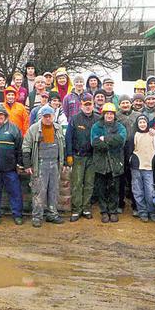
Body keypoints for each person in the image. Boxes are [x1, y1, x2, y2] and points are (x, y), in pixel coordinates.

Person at [23, 105, 66, 227]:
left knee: (54, 190)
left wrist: (64, 161)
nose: (48, 119)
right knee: (39, 191)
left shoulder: (57, 128)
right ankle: (37, 216)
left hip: (55, 163)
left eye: (50, 116)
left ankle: (52, 214)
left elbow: (63, 145)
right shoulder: (34, 129)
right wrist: (27, 164)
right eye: (45, 116)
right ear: (41, 117)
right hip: (40, 163)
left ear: (53, 116)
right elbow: (26, 147)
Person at [0, 104, 24, 226]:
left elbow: (20, 148)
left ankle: (17, 214)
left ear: (5, 116)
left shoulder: (13, 128)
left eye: (1, 114)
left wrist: (19, 164)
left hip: (10, 168)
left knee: (15, 192)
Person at [91, 103, 127, 223]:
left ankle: (113, 211)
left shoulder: (120, 127)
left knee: (114, 188)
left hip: (115, 161)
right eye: (107, 113)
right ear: (103, 114)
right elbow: (94, 143)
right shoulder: (96, 126)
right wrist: (111, 140)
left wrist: (105, 138)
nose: (109, 116)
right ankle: (104, 211)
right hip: (101, 162)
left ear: (114, 115)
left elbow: (121, 141)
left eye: (111, 113)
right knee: (101, 188)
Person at [65, 93, 98, 222]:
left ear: (93, 104)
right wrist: (69, 155)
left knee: (89, 184)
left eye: (90, 104)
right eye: (86, 104)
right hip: (78, 156)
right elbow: (68, 138)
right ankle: (76, 209)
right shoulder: (74, 119)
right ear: (81, 105)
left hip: (92, 157)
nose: (88, 106)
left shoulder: (98, 119)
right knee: (77, 184)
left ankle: (86, 208)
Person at [129, 115, 155, 222]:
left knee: (150, 191)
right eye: (140, 122)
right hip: (136, 167)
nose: (142, 124)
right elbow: (129, 150)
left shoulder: (153, 135)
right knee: (138, 191)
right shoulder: (134, 135)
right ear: (137, 124)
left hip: (149, 167)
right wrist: (131, 161)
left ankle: (152, 211)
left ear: (147, 123)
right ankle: (142, 211)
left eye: (144, 122)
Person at [117, 94, 141, 213]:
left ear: (131, 103)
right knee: (120, 177)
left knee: (134, 178)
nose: (125, 105)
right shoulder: (116, 116)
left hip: (134, 149)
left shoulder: (137, 115)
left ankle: (135, 204)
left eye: (127, 102)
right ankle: (120, 203)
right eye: (123, 103)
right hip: (120, 150)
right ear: (119, 105)